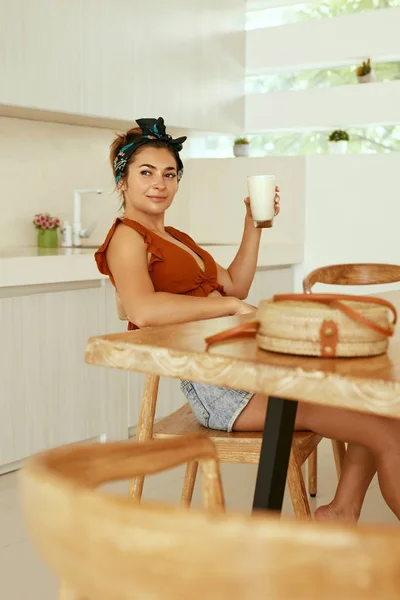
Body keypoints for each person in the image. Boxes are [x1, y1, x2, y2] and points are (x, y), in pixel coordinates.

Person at [96, 117, 400, 523]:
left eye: (169, 174)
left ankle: (340, 513)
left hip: (246, 370)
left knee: (382, 409)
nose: (159, 183)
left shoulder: (177, 239)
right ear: (123, 181)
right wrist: (226, 307)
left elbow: (235, 284)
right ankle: (341, 515)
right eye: (146, 172)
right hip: (221, 388)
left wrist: (254, 224)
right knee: (385, 431)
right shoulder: (127, 237)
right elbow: (143, 310)